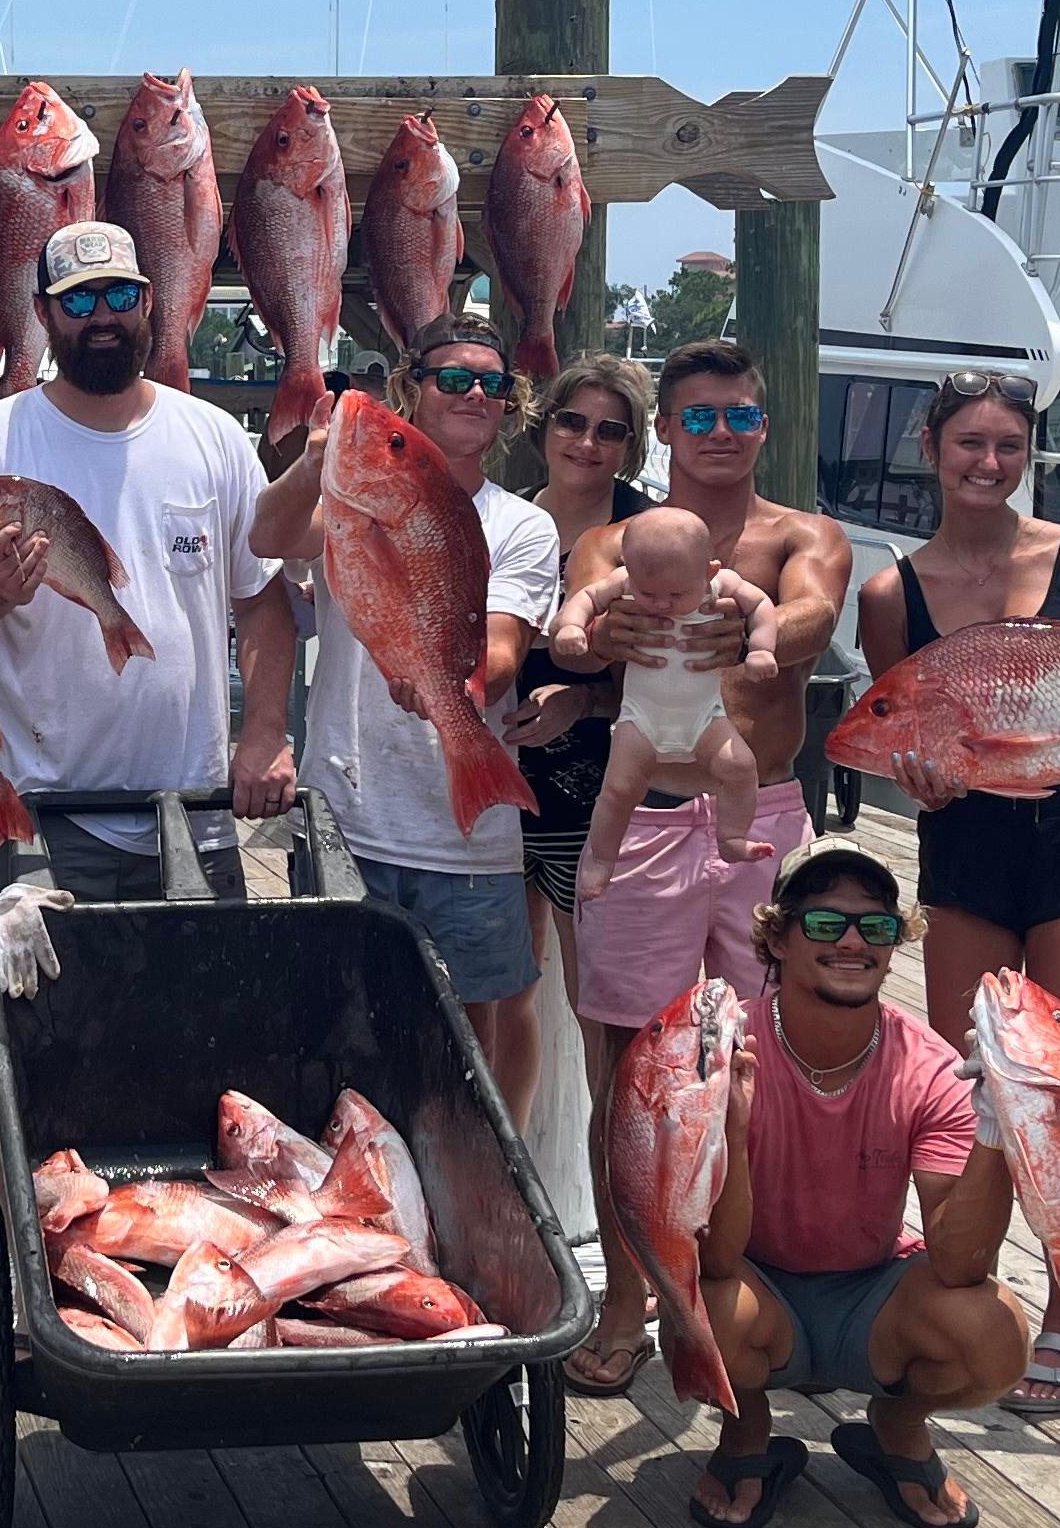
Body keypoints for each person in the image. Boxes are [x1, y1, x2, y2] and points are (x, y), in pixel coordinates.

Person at [854, 370, 1060, 1418]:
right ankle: (970, 1299)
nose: (988, 464)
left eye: (1007, 446)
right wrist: (917, 776)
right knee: (975, 1087)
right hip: (968, 846)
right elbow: (899, 727)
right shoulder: (891, 595)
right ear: (931, 447)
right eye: (969, 444)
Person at [559, 338, 851, 1399]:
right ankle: (625, 1297)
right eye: (700, 416)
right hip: (642, 823)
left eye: (741, 415)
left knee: (771, 1055)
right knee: (627, 1066)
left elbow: (811, 615)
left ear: (763, 425)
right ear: (667, 432)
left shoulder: (804, 536)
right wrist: (594, 637)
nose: (722, 433)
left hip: (755, 816)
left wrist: (746, 627)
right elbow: (583, 623)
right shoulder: (615, 540)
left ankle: (748, 1284)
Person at [0, 222, 299, 999]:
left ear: (150, 303)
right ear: (42, 314)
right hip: (38, 819)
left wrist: (264, 732)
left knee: (209, 1042)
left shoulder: (215, 438)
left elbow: (261, 601)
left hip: (197, 817)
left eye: (119, 296)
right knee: (33, 1055)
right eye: (78, 300)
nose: (102, 316)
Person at [250, 316, 558, 1127]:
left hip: (466, 843)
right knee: (335, 1031)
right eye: (452, 378)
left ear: (510, 404)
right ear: (411, 390)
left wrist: (454, 690)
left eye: (492, 382)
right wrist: (315, 463)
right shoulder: (344, 503)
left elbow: (501, 651)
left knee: (466, 1040)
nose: (474, 393)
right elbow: (266, 535)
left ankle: (470, 1178)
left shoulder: (524, 524)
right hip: (346, 821)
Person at [678, 844, 1031, 1528]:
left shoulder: (933, 1069)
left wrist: (995, 1128)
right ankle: (746, 1430)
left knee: (995, 1334)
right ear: (777, 937)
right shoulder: (720, 1050)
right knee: (704, 1310)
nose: (851, 942)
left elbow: (960, 1265)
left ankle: (898, 1425)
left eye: (875, 926)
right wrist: (734, 1131)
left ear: (894, 945)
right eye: (824, 923)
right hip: (757, 1286)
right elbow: (716, 1259)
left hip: (874, 1297)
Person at [505, 355, 660, 1017]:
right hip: (501, 788)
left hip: (603, 800)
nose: (587, 442)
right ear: (544, 425)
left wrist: (586, 701)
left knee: (597, 998)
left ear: (631, 446)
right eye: (572, 422)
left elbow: (674, 685)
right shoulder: (507, 518)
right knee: (506, 990)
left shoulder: (650, 535)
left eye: (610, 431)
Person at [556, 508, 782, 896]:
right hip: (641, 719)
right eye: (649, 594)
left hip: (705, 718)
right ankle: (602, 859)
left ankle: (732, 837)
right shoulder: (624, 581)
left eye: (677, 595)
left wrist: (761, 648)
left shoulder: (722, 583)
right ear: (630, 571)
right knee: (618, 790)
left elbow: (761, 606)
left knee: (741, 767)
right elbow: (587, 597)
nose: (662, 604)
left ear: (709, 571)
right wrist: (575, 627)